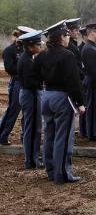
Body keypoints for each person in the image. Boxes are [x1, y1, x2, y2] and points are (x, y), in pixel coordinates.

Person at [34, 20, 85, 184]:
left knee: (49, 135)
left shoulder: (42, 54)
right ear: (61, 37)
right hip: (62, 97)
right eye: (67, 35)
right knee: (63, 137)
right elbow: (73, 82)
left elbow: (35, 75)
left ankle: (50, 171)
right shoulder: (67, 54)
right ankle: (62, 174)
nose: (68, 38)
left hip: (46, 95)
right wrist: (80, 102)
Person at [0, 26, 35, 145]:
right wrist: (24, 69)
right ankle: (2, 135)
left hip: (27, 82)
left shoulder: (26, 50)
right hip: (17, 83)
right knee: (13, 111)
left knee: (27, 112)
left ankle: (24, 137)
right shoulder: (10, 50)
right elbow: (9, 68)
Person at [17, 30, 43, 169]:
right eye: (38, 44)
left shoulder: (28, 58)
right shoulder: (26, 61)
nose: (40, 47)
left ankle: (33, 157)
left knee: (34, 128)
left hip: (30, 94)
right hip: (30, 95)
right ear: (30, 46)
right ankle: (31, 160)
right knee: (32, 128)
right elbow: (31, 83)